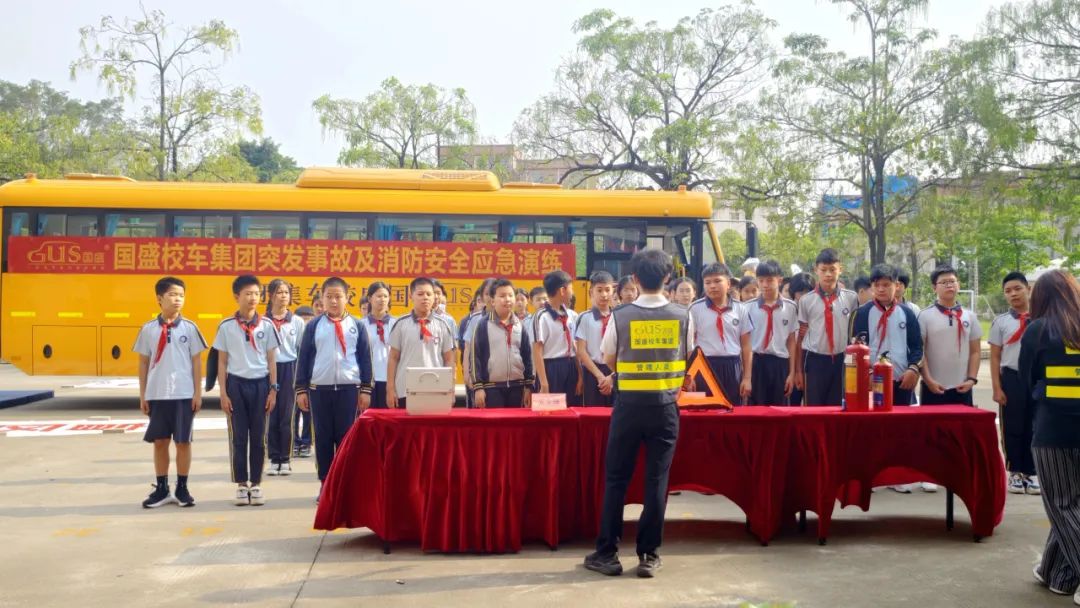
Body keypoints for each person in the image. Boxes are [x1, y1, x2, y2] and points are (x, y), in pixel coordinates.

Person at [584, 248, 694, 579]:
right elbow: (687, 357)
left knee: (616, 479)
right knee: (656, 481)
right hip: (665, 407)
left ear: (633, 279)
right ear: (668, 279)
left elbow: (609, 358)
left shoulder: (620, 316)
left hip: (629, 405)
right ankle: (649, 555)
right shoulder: (683, 316)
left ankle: (607, 554)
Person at [1020, 270, 1080, 599]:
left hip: (1054, 431)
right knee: (1072, 503)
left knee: (1062, 503)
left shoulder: (1038, 331)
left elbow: (1026, 382)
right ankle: (1055, 571)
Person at [294, 277, 373, 499]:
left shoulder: (357, 325)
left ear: (347, 298)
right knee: (323, 438)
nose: (334, 301)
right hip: (320, 389)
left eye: (338, 296)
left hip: (349, 390)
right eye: (329, 296)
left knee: (347, 438)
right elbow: (304, 358)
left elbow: (365, 359)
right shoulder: (313, 326)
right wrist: (301, 389)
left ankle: (345, 484)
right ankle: (326, 483)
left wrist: (366, 389)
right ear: (322, 298)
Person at [134, 276, 207, 508]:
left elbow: (196, 362)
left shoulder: (190, 328)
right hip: (157, 394)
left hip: (183, 394)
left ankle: (182, 487)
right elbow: (143, 363)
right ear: (159, 298)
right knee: (160, 442)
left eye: (181, 295)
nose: (178, 299)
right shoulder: (148, 329)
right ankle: (162, 488)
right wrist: (143, 394)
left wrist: (198, 393)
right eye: (173, 295)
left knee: (183, 442)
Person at [213, 274, 279, 506]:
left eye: (256, 294)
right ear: (236, 296)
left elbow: (272, 360)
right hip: (236, 385)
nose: (253, 298)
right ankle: (241, 484)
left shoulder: (267, 325)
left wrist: (273, 390)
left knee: (259, 437)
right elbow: (221, 362)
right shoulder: (226, 326)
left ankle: (257, 483)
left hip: (261, 385)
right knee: (239, 437)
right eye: (248, 293)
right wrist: (223, 392)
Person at [990, 271, 1038, 495]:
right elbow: (995, 357)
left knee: (1036, 425)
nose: (1013, 294)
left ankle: (1033, 472)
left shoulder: (1041, 318)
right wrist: (997, 387)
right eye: (1008, 291)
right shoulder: (1001, 322)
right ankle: (1015, 472)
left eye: (1017, 288)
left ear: (1028, 289)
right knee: (1013, 426)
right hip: (1011, 377)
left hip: (1037, 379)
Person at [850, 263, 922, 406]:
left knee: (901, 425)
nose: (881, 289)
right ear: (871, 286)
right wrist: (867, 374)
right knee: (873, 425)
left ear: (896, 285)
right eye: (876, 285)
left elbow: (917, 347)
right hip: (871, 381)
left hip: (901, 380)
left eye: (886, 285)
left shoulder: (907, 313)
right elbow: (853, 350)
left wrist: (913, 369)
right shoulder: (861, 314)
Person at [795, 249, 858, 406]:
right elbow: (800, 337)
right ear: (816, 270)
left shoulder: (851, 298)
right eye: (823, 270)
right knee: (813, 408)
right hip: (815, 359)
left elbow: (855, 334)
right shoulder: (806, 301)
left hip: (842, 359)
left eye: (832, 270)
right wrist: (798, 371)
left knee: (838, 407)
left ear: (840, 269)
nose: (828, 274)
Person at [917, 264, 982, 407]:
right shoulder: (924, 316)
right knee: (932, 428)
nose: (949, 285)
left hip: (962, 387)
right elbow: (920, 352)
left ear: (958, 285)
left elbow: (975, 351)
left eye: (952, 281)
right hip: (933, 387)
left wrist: (971, 379)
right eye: (944, 282)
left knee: (962, 428)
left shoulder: (970, 316)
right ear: (934, 288)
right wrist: (928, 380)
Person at [387, 277, 457, 408]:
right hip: (406, 390)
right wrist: (390, 389)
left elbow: (449, 359)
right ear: (411, 296)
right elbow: (393, 358)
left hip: (435, 389)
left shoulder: (443, 325)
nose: (425, 298)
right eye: (420, 294)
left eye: (429, 294)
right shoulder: (401, 324)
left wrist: (450, 388)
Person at [688, 263, 752, 405]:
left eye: (717, 281)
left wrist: (747, 378)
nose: (712, 286)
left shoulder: (741, 309)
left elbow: (746, 346)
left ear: (728, 284)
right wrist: (689, 374)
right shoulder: (695, 309)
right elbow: (689, 345)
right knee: (705, 412)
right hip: (704, 366)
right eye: (708, 282)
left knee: (732, 410)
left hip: (732, 366)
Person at [471, 279, 534, 408]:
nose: (507, 299)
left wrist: (528, 385)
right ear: (493, 301)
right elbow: (474, 357)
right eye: (502, 296)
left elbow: (528, 356)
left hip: (518, 387)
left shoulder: (520, 326)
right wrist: (478, 387)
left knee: (516, 426)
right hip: (491, 388)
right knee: (494, 427)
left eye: (511, 295)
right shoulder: (482, 325)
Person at [265, 279, 305, 477]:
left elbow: (301, 349)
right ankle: (273, 458)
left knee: (287, 416)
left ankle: (286, 458)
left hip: (289, 368)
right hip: (266, 370)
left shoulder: (296, 321)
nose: (283, 296)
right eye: (279, 292)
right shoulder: (263, 320)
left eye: (286, 292)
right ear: (271, 295)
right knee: (270, 415)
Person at [747, 261, 797, 405]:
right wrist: (747, 375)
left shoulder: (790, 307)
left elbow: (791, 341)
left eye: (769, 280)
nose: (765, 285)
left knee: (780, 409)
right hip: (756, 362)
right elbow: (744, 342)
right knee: (756, 409)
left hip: (780, 363)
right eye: (761, 280)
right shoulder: (748, 307)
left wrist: (792, 373)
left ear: (779, 280)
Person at [532, 270, 581, 404]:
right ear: (562, 290)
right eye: (571, 289)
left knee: (571, 409)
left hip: (570, 366)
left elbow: (574, 347)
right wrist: (544, 383)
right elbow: (537, 351)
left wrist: (580, 376)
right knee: (549, 413)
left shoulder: (571, 315)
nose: (572, 293)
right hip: (551, 369)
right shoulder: (541, 316)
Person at [576, 271, 617, 406]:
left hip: (615, 372)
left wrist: (611, 377)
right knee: (593, 414)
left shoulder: (618, 317)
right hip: (593, 372)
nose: (604, 295)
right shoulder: (585, 318)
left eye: (607, 290)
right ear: (591, 292)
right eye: (599, 290)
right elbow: (581, 351)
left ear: (613, 291)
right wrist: (599, 376)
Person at [360, 281, 396, 410]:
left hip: (390, 380)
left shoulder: (396, 324)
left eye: (386, 296)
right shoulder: (360, 325)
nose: (382, 300)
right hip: (368, 382)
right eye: (379, 296)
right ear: (370, 298)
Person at [787, 272, 816, 406]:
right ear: (793, 293)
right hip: (789, 366)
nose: (804, 297)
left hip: (810, 364)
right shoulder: (787, 311)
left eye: (808, 292)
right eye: (800, 292)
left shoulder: (816, 312)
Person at [292, 305, 315, 458]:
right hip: (292, 379)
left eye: (309, 319)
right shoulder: (293, 338)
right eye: (303, 319)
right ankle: (294, 441)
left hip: (311, 380)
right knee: (293, 413)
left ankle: (306, 442)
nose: (305, 323)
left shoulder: (315, 337)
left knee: (308, 412)